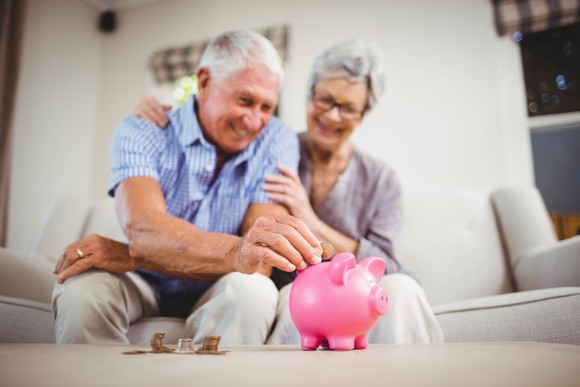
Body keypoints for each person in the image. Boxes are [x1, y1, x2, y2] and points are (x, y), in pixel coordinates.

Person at [136, 39, 444, 345]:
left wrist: (309, 218)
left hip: (360, 297)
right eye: (324, 99)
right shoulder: (271, 149)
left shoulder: (381, 180)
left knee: (403, 288)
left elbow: (389, 267)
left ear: (363, 113)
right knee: (286, 302)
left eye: (348, 108)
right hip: (296, 293)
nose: (332, 116)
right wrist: (169, 117)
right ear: (309, 95)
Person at [51, 30, 324, 345]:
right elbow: (145, 229)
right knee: (82, 289)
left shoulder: (277, 140)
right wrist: (235, 250)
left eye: (266, 107)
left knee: (254, 290)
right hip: (143, 283)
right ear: (205, 82)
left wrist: (134, 254)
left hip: (220, 285)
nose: (253, 120)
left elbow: (260, 259)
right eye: (245, 100)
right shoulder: (142, 129)